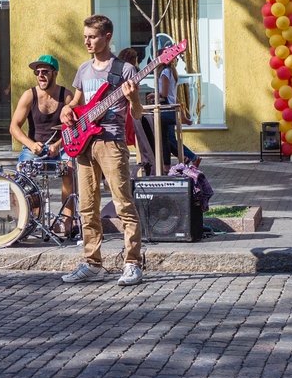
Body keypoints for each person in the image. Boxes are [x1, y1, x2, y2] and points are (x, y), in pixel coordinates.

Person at [61, 15, 145, 286]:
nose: (87, 41)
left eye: (93, 36)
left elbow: (138, 113)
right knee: (87, 206)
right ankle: (92, 262)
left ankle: (132, 263)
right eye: (85, 36)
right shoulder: (84, 70)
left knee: (123, 204)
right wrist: (67, 110)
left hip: (112, 141)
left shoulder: (126, 70)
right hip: (84, 143)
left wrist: (132, 97)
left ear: (107, 36)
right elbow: (76, 103)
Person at [9, 54, 76, 232]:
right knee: (22, 174)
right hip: (35, 146)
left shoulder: (66, 96)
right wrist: (31, 144)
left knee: (70, 167)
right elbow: (14, 127)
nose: (40, 75)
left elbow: (75, 128)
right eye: (37, 72)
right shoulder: (29, 95)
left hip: (59, 147)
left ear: (55, 73)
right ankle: (28, 219)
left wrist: (59, 145)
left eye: (45, 71)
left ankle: (67, 220)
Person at [142, 39, 197, 167]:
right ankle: (187, 159)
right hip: (171, 109)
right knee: (168, 138)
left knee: (166, 139)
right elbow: (174, 96)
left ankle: (187, 158)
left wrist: (152, 95)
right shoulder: (170, 72)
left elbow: (165, 94)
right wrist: (184, 116)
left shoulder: (165, 73)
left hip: (166, 110)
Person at [117, 47, 156, 176]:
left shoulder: (116, 68)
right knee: (138, 139)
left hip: (120, 110)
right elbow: (135, 91)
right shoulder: (130, 69)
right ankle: (141, 167)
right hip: (130, 109)